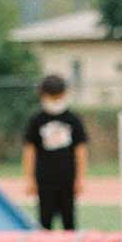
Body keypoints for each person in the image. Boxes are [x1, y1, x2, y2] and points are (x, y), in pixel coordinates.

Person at [22, 75, 88, 230]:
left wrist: (80, 178)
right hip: (44, 178)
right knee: (44, 222)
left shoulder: (73, 119)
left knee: (69, 221)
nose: (54, 101)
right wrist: (30, 179)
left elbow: (81, 150)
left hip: (67, 177)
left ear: (64, 94)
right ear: (42, 96)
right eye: (51, 97)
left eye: (58, 97)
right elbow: (29, 150)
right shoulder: (37, 120)